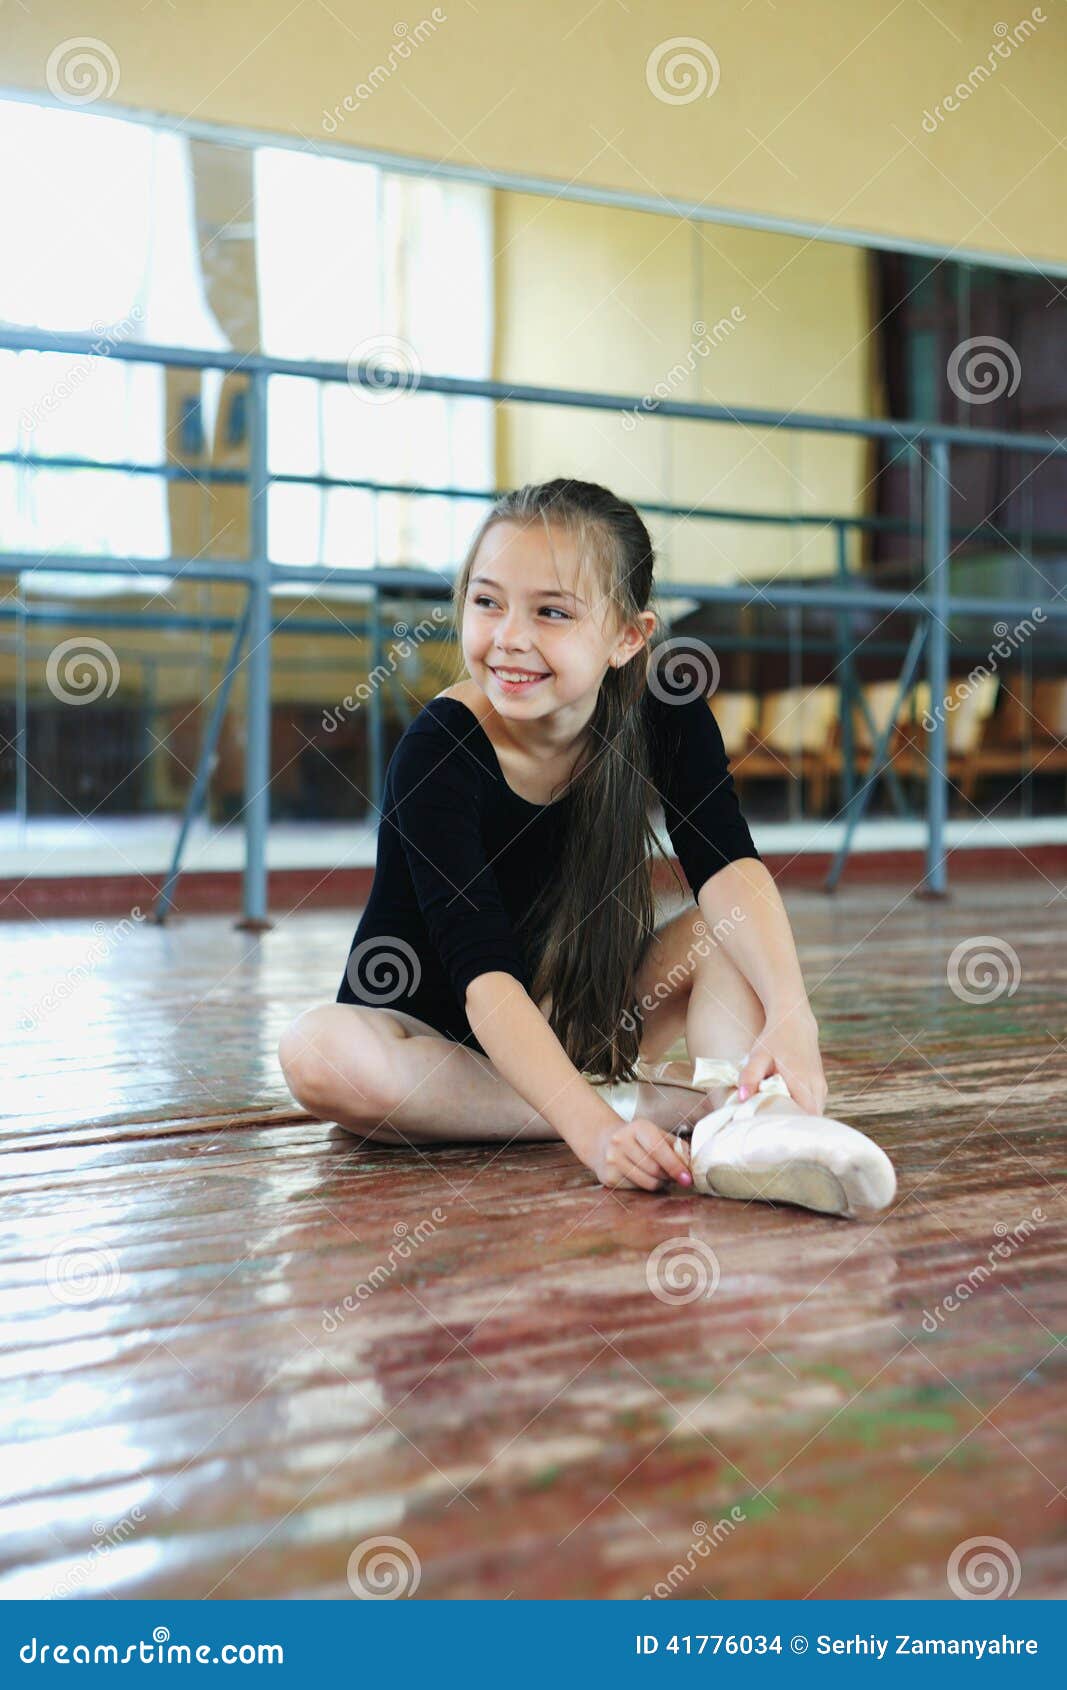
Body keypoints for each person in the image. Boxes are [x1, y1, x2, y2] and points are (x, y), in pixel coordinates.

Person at [278, 478, 895, 1213]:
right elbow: (483, 980)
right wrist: (596, 1131)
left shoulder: (664, 707)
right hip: (431, 1045)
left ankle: (745, 1125)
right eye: (486, 601)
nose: (509, 636)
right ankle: (663, 1109)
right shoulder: (438, 752)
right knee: (315, 1052)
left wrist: (792, 1012)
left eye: (551, 612)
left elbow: (727, 865)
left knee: (722, 930)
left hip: (574, 1016)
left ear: (627, 637)